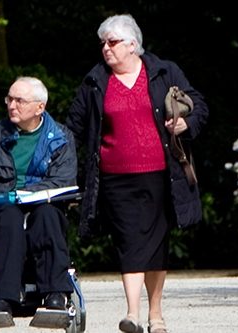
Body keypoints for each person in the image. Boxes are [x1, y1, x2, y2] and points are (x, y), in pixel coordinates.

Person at [64, 14, 208, 333]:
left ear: (132, 45)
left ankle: (155, 315)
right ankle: (132, 313)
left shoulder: (163, 71)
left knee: (157, 243)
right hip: (114, 178)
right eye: (102, 43)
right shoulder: (95, 81)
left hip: (160, 173)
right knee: (127, 241)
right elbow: (73, 126)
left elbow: (198, 104)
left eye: (112, 42)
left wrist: (187, 124)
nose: (106, 48)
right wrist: (57, 161)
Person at [0, 77, 78, 314]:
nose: (11, 105)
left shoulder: (60, 137)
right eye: (9, 99)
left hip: (43, 204)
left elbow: (63, 181)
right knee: (9, 216)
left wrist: (22, 195)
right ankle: (5, 296)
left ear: (40, 107)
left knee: (48, 214)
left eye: (20, 100)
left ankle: (55, 293)